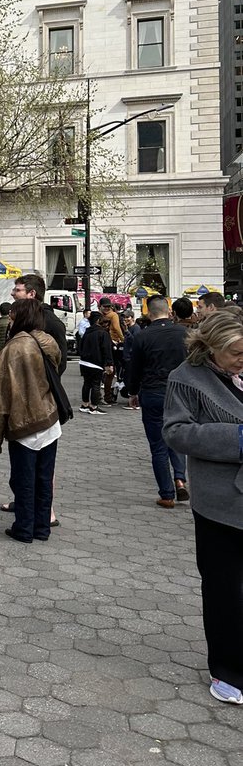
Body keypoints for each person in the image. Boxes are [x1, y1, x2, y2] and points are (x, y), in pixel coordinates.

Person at [163, 307, 243, 704]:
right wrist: (238, 440)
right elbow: (176, 433)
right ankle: (227, 670)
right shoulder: (187, 380)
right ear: (210, 348)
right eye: (236, 352)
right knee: (225, 588)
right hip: (220, 503)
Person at [0, 297, 61, 544]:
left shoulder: (13, 347)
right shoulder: (48, 342)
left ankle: (23, 527)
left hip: (23, 422)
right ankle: (42, 527)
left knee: (24, 478)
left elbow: (1, 394)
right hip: (49, 418)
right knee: (44, 476)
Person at [125, 294, 189, 508]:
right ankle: (180, 478)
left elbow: (133, 368)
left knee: (158, 445)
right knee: (178, 437)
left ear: (149, 313)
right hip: (180, 393)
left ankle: (167, 493)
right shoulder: (184, 333)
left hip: (153, 392)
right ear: (169, 311)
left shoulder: (143, 336)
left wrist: (133, 392)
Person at [77, 310, 112, 414]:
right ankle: (94, 406)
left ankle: (85, 404)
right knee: (96, 385)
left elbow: (80, 347)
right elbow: (106, 349)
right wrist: (109, 364)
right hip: (96, 363)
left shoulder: (86, 332)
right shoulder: (102, 333)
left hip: (84, 362)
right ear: (98, 320)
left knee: (86, 383)